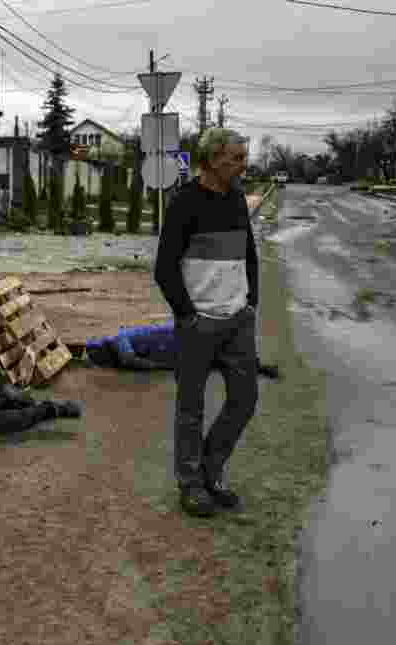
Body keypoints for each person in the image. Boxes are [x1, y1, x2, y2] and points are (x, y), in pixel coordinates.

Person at [153, 127, 259, 518]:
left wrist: (251, 304)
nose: (243, 165)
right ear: (213, 159)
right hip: (199, 323)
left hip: (237, 320)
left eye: (243, 157)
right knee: (191, 407)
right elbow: (164, 268)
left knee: (245, 399)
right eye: (236, 158)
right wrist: (187, 316)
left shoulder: (235, 199)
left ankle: (211, 471)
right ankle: (191, 484)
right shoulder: (185, 203)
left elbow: (249, 254)